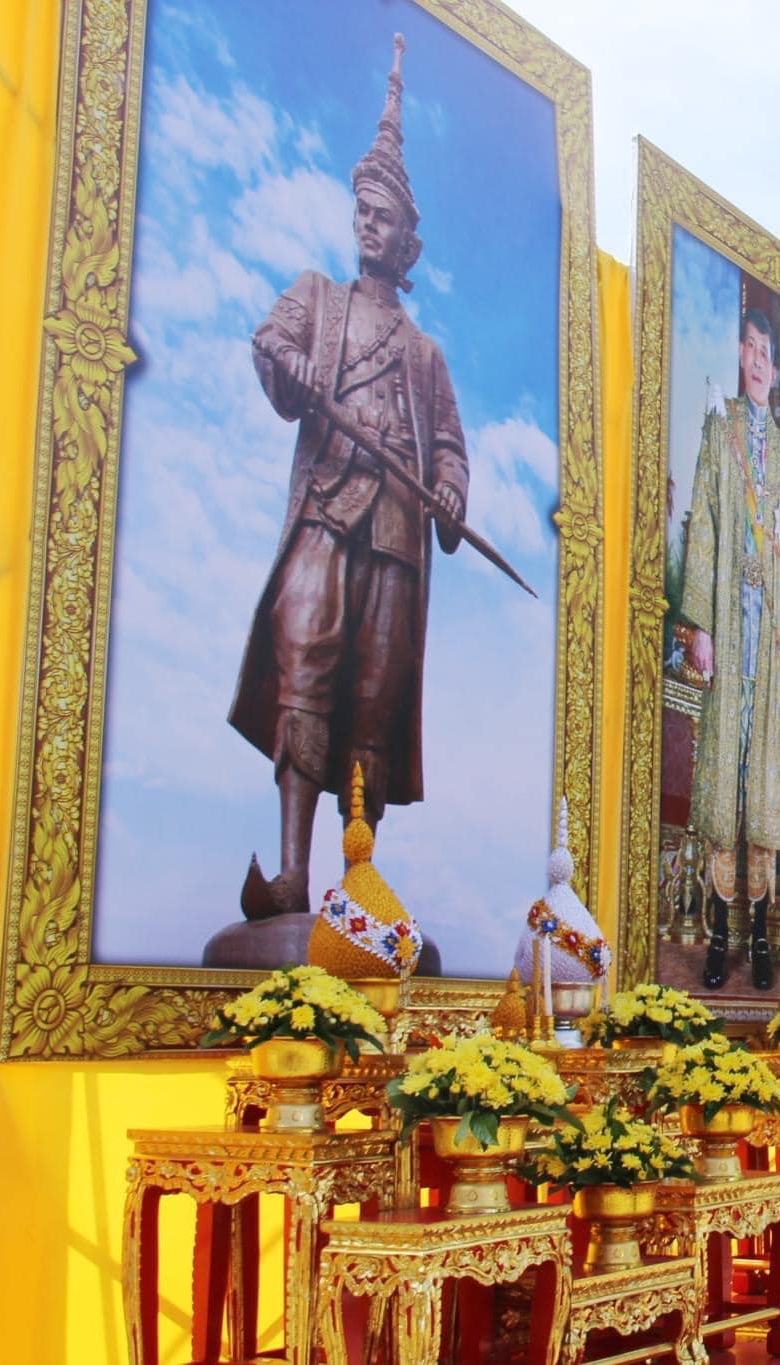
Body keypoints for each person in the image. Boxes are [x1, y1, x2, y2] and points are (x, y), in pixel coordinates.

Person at [231, 35, 467, 920]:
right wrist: (287, 366)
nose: (370, 222)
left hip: (396, 537)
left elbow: (449, 448)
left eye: (384, 214)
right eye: (362, 208)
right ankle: (292, 873)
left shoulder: (425, 352)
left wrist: (448, 489)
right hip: (329, 513)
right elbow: (273, 345)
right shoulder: (317, 299)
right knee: (307, 663)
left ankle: (355, 881)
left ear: (409, 238)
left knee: (372, 694)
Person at [679, 304, 780, 990]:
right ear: (739, 354)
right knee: (724, 768)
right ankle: (718, 932)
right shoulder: (719, 427)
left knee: (761, 782)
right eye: (751, 348)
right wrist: (699, 619)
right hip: (731, 623)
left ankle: (759, 934)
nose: (759, 360)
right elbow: (702, 521)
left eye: (768, 352)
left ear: (777, 370)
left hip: (770, 638)